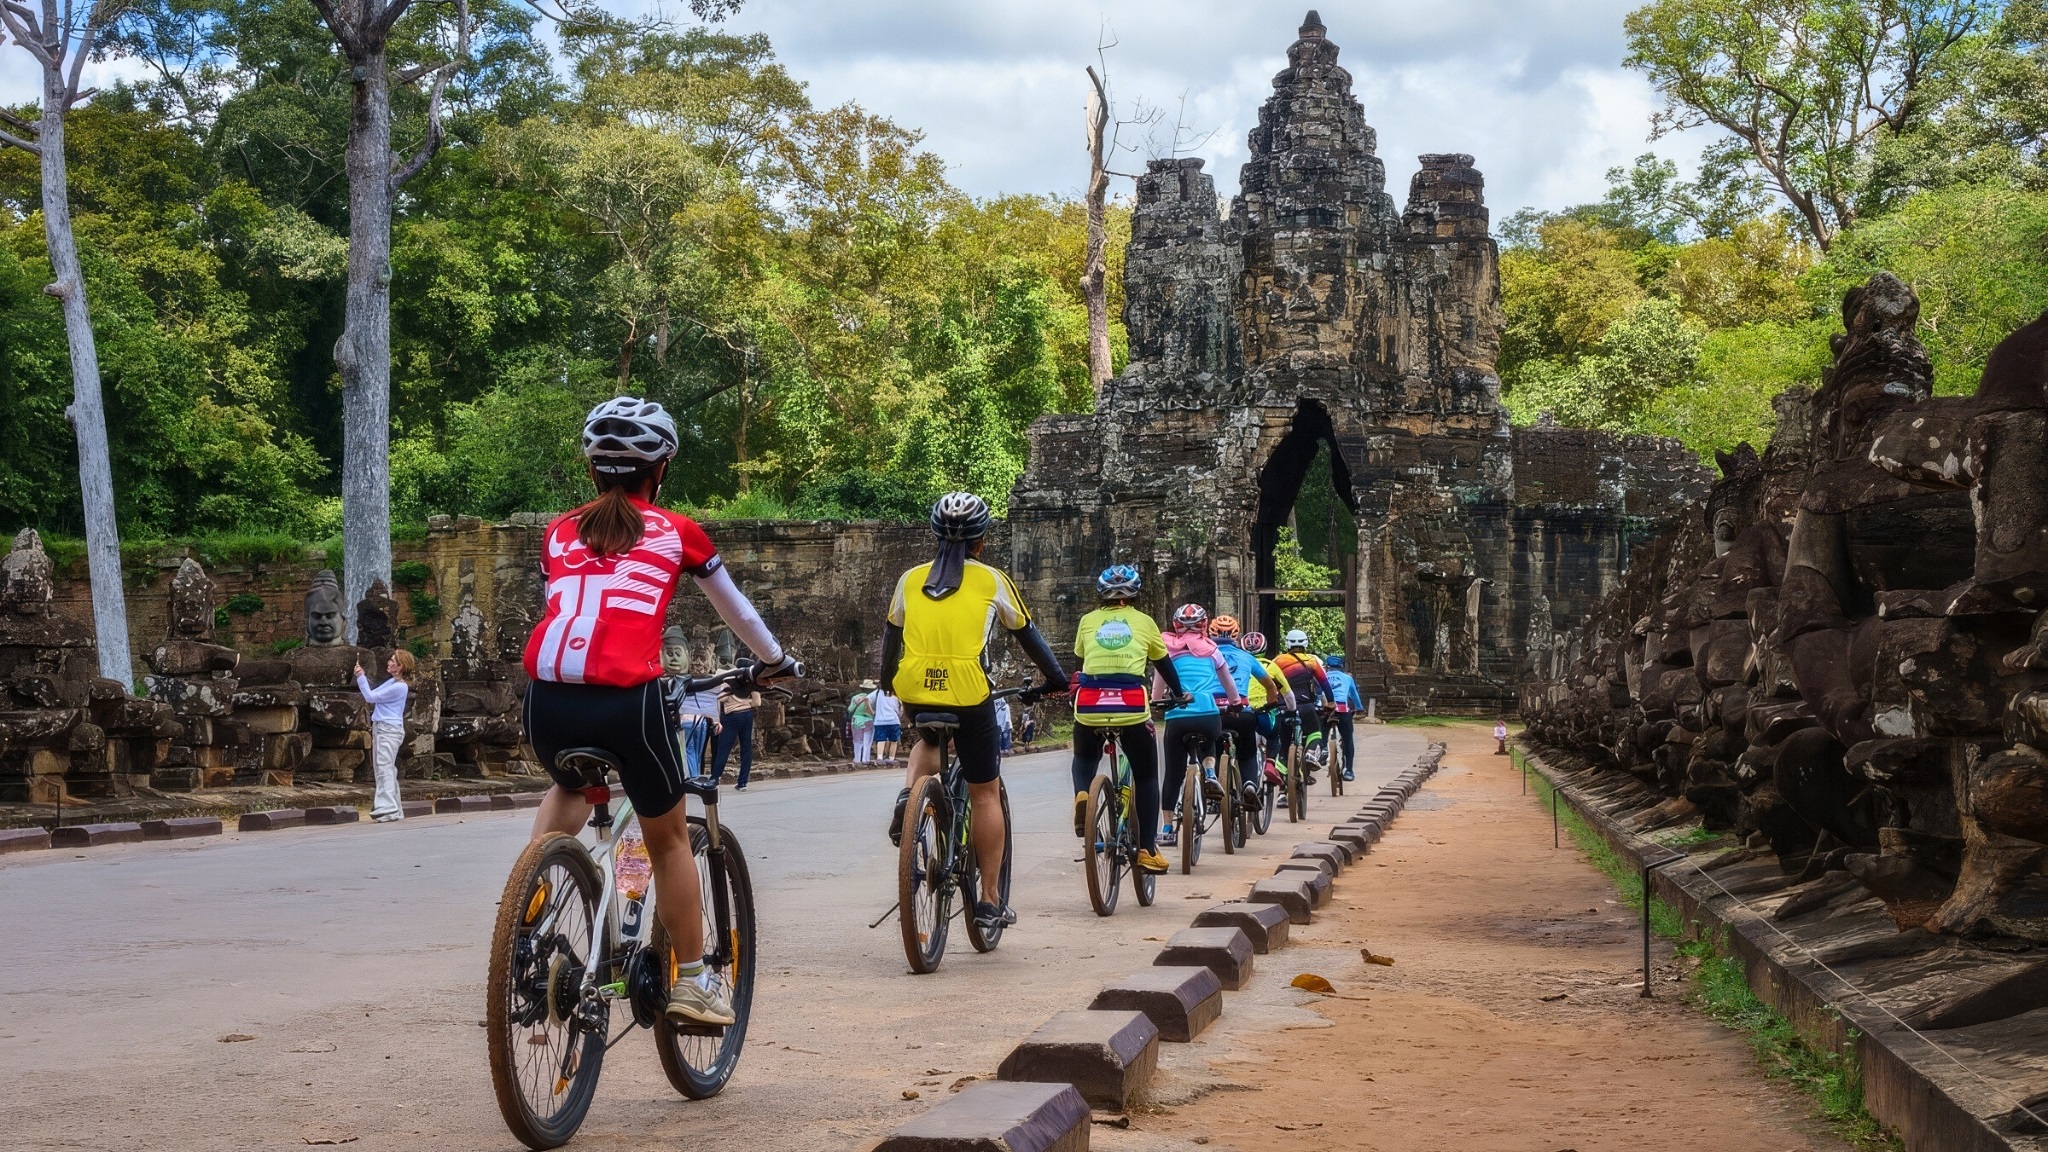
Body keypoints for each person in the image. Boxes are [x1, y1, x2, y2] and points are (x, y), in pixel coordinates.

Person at [521, 396, 797, 1028]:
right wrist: (776, 662)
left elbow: (573, 612)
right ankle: (696, 983)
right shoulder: (678, 531)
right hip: (626, 702)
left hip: (546, 701)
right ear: (662, 468)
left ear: (592, 471)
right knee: (668, 839)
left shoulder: (557, 532)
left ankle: (524, 921)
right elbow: (740, 615)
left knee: (568, 785)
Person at [882, 492, 1070, 935]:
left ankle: (910, 796)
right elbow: (1029, 637)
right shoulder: (991, 580)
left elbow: (892, 639)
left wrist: (890, 682)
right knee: (984, 793)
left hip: (916, 689)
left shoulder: (909, 579)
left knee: (928, 740)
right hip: (968, 693)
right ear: (981, 542)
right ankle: (988, 900)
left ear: (934, 537)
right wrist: (1057, 680)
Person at [1070, 565, 1188, 875]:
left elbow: (1082, 658)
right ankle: (1147, 849)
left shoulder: (1087, 621)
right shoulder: (1146, 623)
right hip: (1131, 703)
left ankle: (1083, 794)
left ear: (1101, 595)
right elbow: (1163, 664)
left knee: (1084, 755)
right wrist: (1179, 693)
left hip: (1091, 700)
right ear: (1135, 594)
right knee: (1147, 775)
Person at [1157, 604, 1241, 842]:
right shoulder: (1212, 650)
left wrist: (1156, 701)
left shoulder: (1167, 651)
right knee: (1211, 738)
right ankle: (1211, 772)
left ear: (1176, 625)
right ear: (1204, 625)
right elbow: (1229, 684)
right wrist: (1234, 702)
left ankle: (1166, 829)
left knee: (1173, 773)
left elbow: (1158, 687)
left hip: (1177, 717)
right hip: (1207, 713)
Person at [1207, 615, 1288, 801]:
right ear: (1236, 635)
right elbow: (1270, 686)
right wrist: (1271, 704)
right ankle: (1249, 785)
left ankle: (1211, 781)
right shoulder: (1246, 657)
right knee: (1247, 751)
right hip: (1240, 713)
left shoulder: (1202, 654)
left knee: (1211, 746)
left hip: (1212, 712)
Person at [355, 649, 414, 822]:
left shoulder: (400, 687)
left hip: (388, 729)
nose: (388, 662)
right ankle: (394, 808)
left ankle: (387, 806)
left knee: (384, 767)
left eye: (392, 660)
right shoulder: (392, 683)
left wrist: (360, 677)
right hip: (383, 728)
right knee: (385, 767)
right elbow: (376, 695)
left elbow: (371, 697)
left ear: (400, 666)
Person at [1271, 629, 1334, 783]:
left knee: (1283, 742)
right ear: (1306, 643)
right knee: (1315, 732)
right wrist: (1331, 703)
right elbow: (1325, 684)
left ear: (1287, 643)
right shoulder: (1311, 661)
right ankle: (1311, 752)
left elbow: (1269, 682)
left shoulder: (1278, 661)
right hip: (1306, 706)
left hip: (1283, 706)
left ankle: (1282, 790)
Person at [672, 646, 724, 778]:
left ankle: (692, 776)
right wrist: (717, 720)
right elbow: (713, 702)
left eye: (703, 660)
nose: (699, 664)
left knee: (690, 751)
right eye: (696, 661)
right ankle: (694, 776)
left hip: (690, 721)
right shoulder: (712, 682)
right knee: (694, 751)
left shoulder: (679, 681)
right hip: (700, 722)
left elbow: (713, 702)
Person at [712, 660, 761, 789]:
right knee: (746, 748)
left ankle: (715, 778)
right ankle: (743, 782)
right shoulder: (751, 682)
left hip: (731, 716)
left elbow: (721, 698)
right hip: (747, 715)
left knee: (724, 748)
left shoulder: (728, 680)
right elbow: (757, 702)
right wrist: (745, 703)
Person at [1323, 653, 1365, 782]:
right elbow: (1354, 695)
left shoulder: (1322, 677)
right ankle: (1349, 770)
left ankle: (1323, 749)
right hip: (1342, 709)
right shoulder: (1347, 678)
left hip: (1325, 709)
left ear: (1327, 667)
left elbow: (1318, 693)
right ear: (1341, 666)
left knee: (1320, 732)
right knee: (1348, 739)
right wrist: (1359, 708)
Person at [848, 680, 878, 764]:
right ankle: (866, 759)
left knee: (857, 740)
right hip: (869, 720)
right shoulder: (873, 698)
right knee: (867, 741)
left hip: (857, 719)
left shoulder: (856, 697)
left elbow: (850, 709)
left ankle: (857, 759)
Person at [872, 688, 902, 763]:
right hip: (893, 720)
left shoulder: (878, 692)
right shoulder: (895, 696)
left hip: (880, 720)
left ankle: (879, 757)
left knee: (881, 739)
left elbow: (866, 699)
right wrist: (899, 716)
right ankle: (891, 758)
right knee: (894, 740)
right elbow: (901, 709)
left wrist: (872, 712)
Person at [994, 692, 1014, 757]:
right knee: (1004, 737)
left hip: (1002, 723)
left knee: (1002, 737)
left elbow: (1007, 715)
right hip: (1002, 723)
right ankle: (1004, 750)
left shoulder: (998, 703)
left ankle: (1003, 750)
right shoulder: (1005, 705)